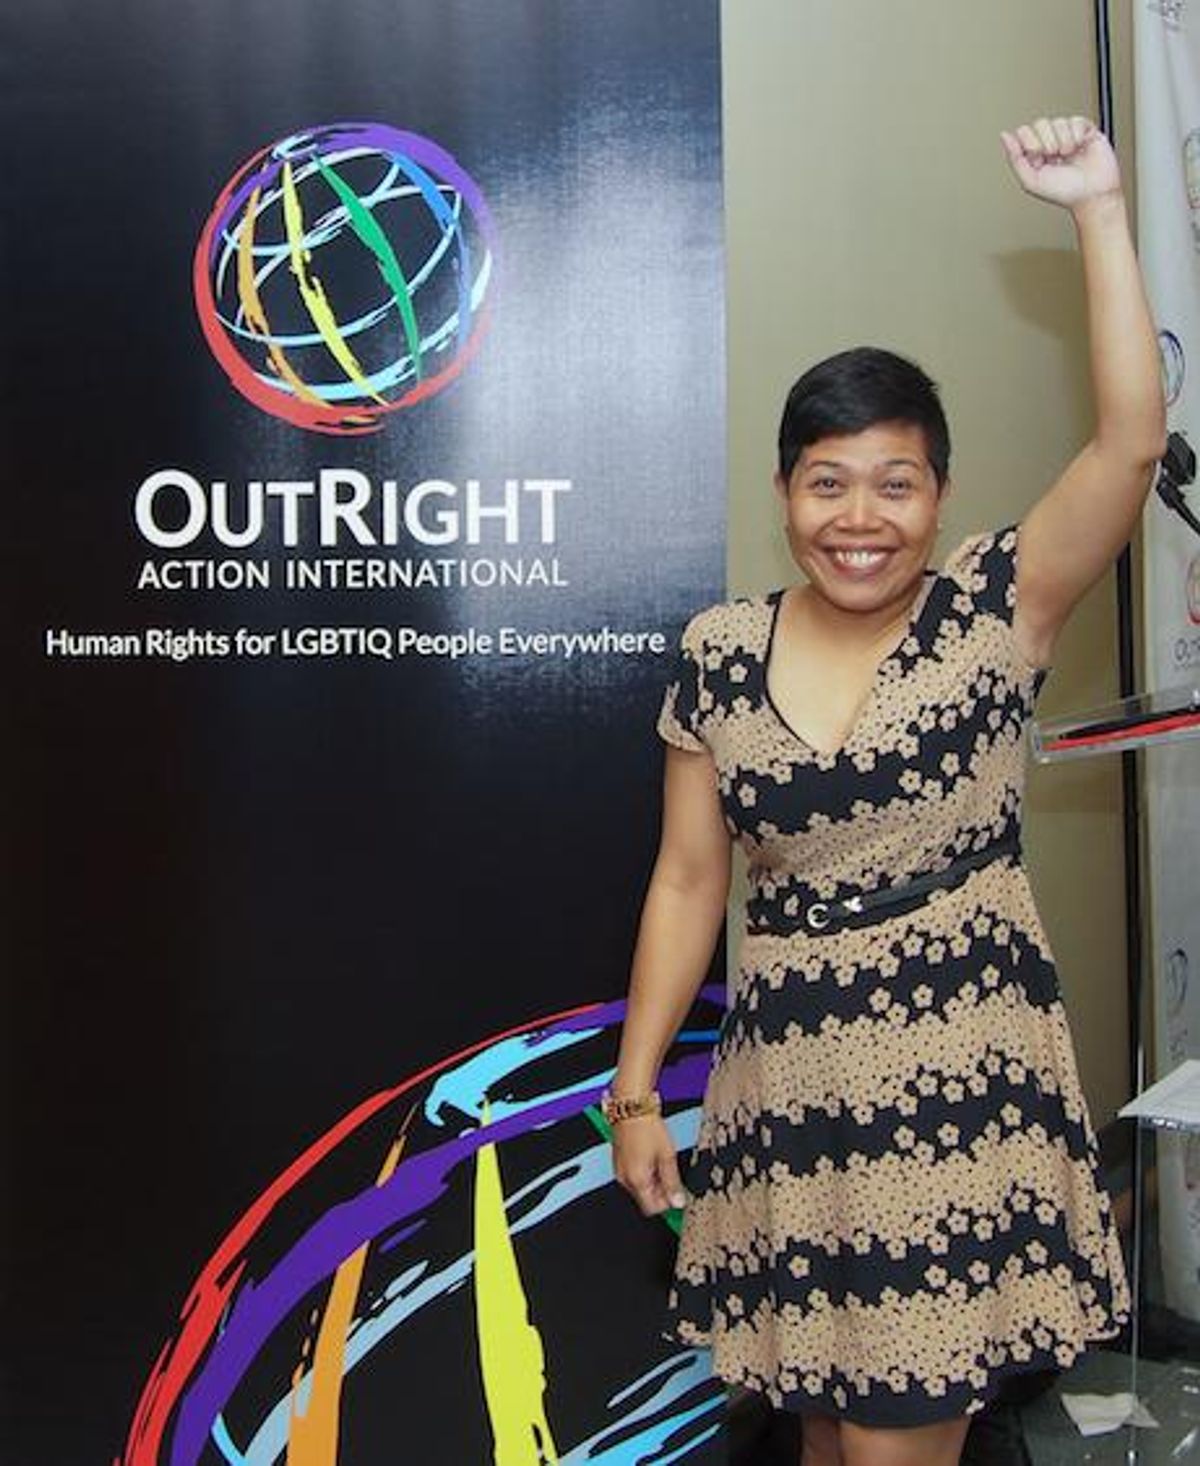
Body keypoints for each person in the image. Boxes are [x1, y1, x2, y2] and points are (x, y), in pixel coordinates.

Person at [606, 116, 1165, 1466]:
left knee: (891, 1443)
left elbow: (1132, 443)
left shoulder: (996, 607)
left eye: (895, 484)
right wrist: (635, 1091)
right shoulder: (719, 652)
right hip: (792, 1092)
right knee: (822, 1434)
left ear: (941, 495)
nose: (861, 518)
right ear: (785, 492)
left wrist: (1097, 210)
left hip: (957, 1084)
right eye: (829, 483)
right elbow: (689, 879)